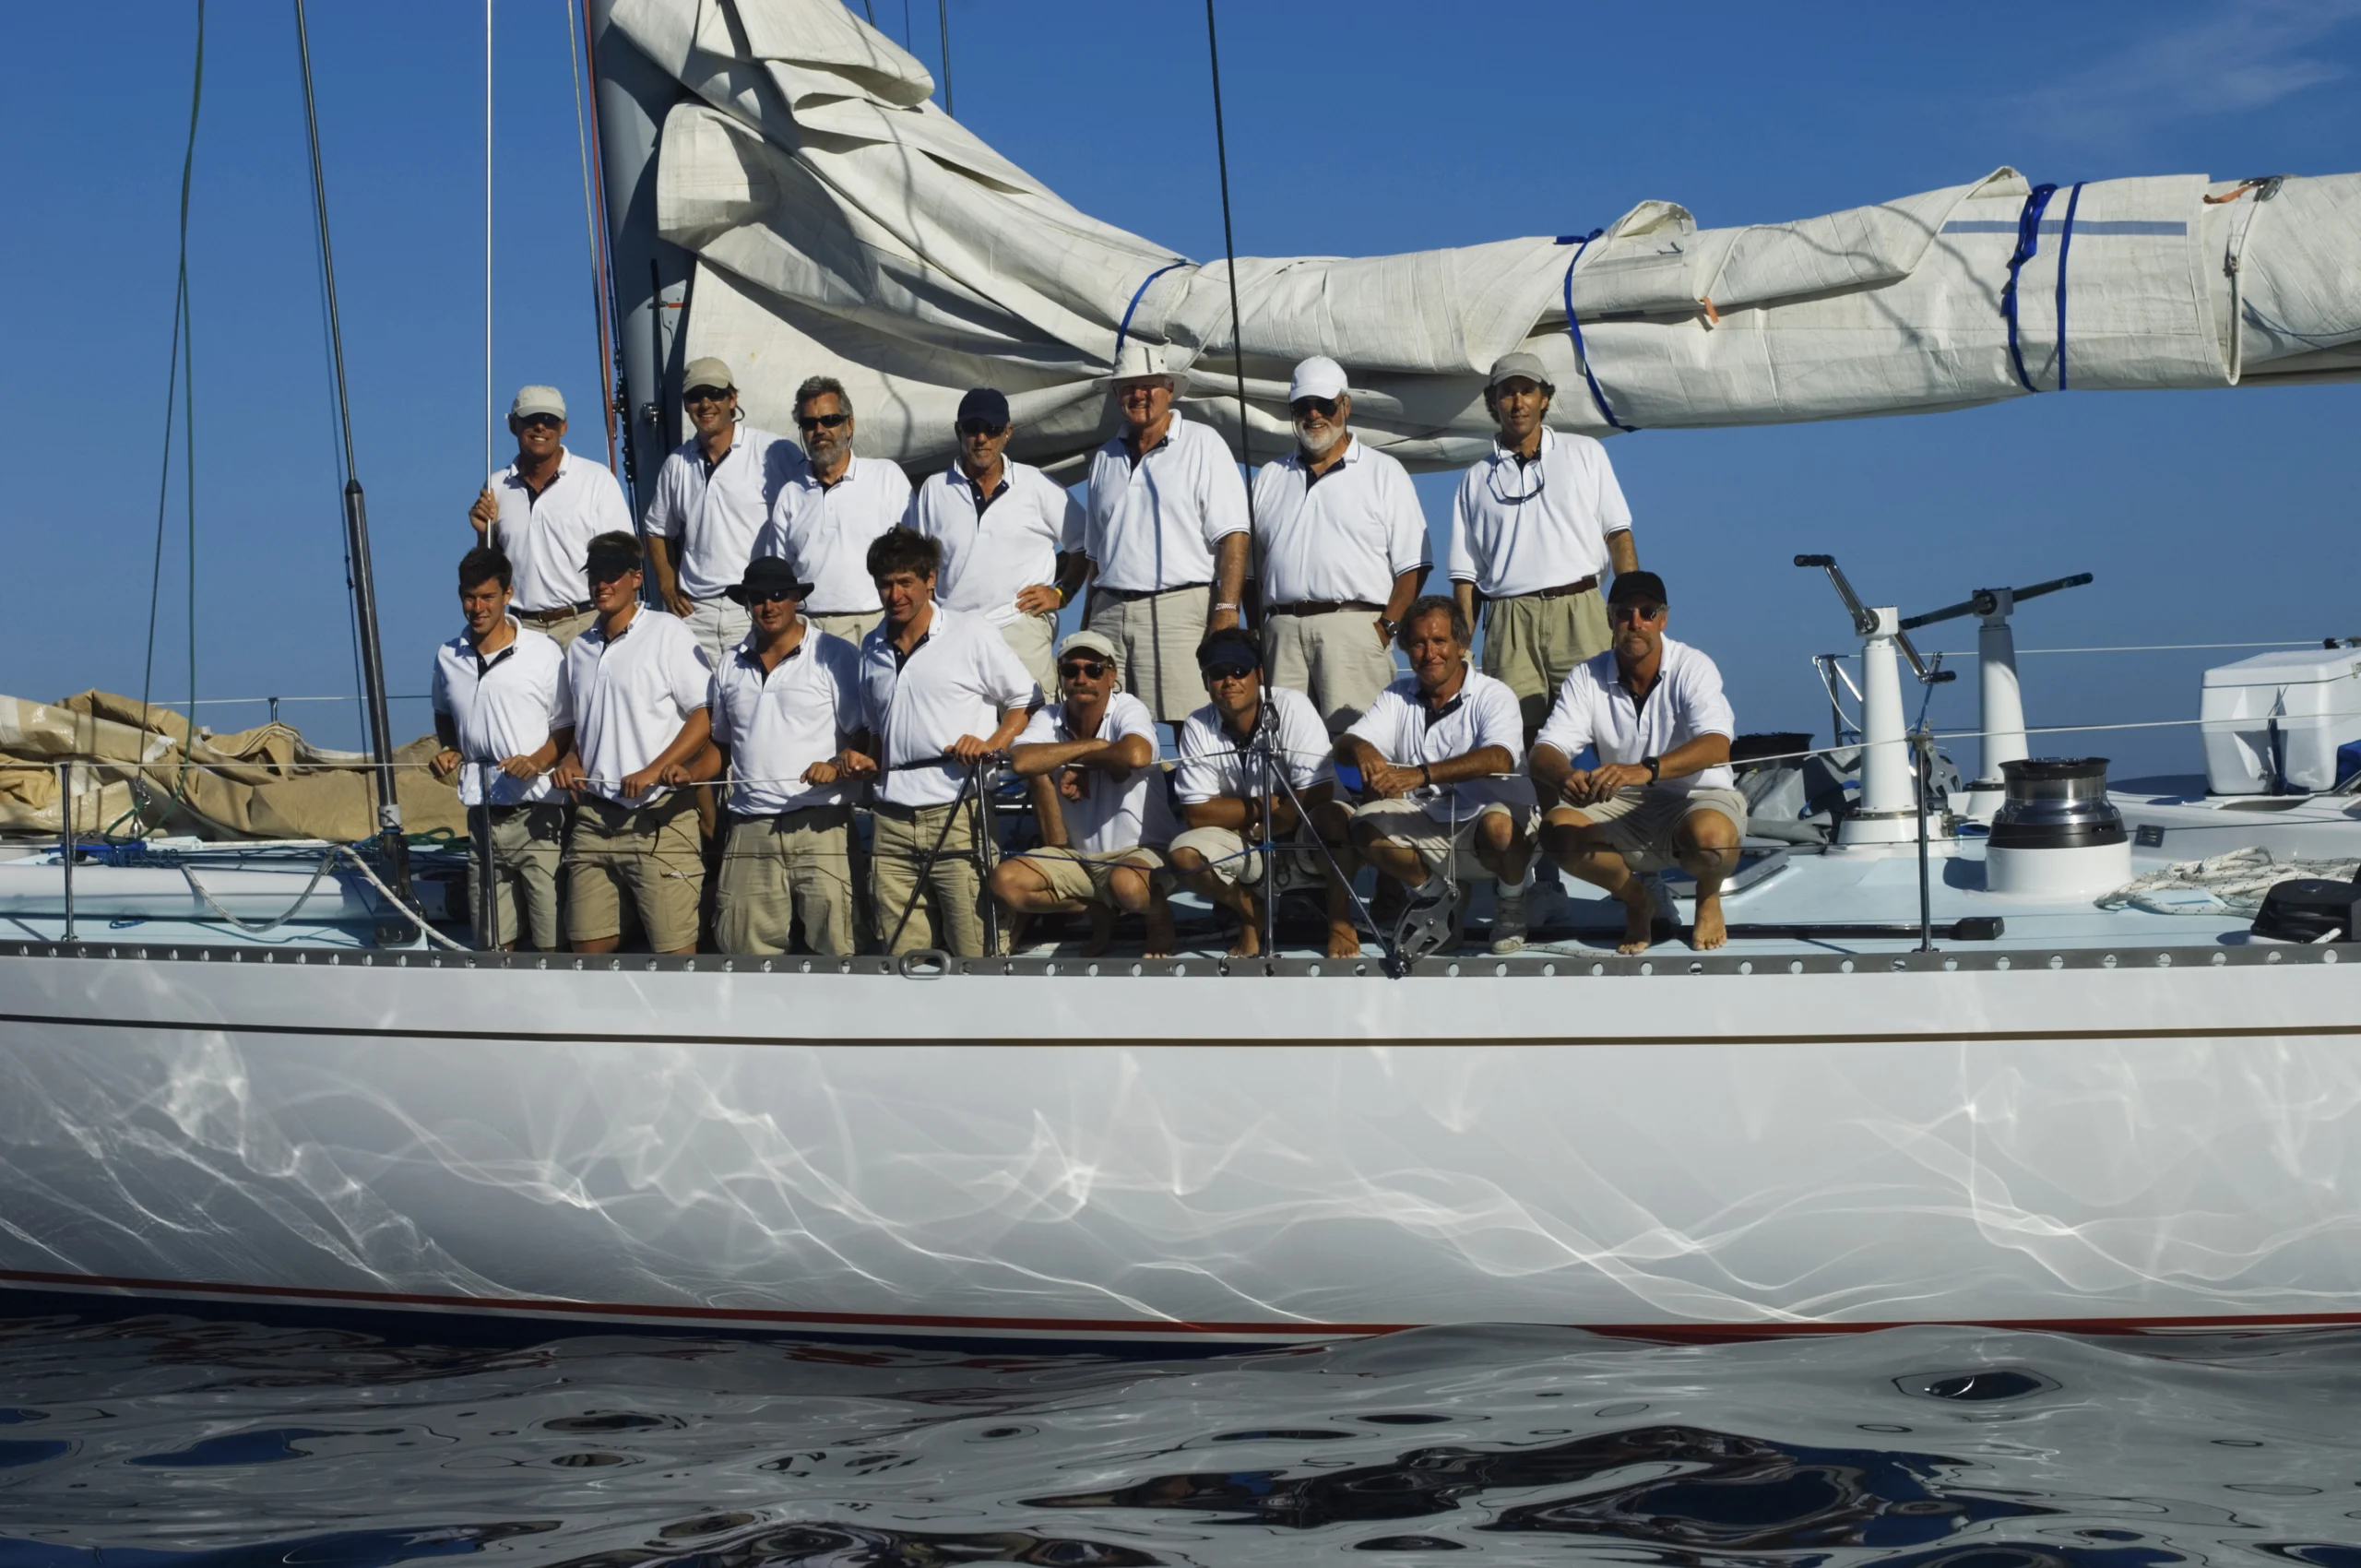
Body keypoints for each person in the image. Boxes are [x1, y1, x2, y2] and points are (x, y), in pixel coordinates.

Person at [1530, 571, 1746, 955]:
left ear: (1663, 619)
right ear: (1610, 618)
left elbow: (1717, 746)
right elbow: (1544, 750)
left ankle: (1708, 896)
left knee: (1713, 843)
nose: (1636, 623)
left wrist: (1643, 770)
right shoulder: (1586, 675)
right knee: (1557, 832)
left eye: (1647, 613)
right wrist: (1565, 776)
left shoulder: (1693, 667)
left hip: (1695, 797)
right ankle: (1637, 899)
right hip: (1623, 804)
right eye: (1625, 613)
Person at [848, 529, 1040, 957]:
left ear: (930, 579)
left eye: (904, 582)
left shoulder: (970, 631)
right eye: (885, 583)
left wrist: (992, 744)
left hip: (959, 811)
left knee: (977, 951)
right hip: (889, 819)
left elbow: (1027, 697)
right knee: (901, 958)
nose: (894, 594)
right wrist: (860, 757)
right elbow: (875, 728)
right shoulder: (870, 646)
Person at [1447, 351, 1639, 734]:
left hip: (1580, 609)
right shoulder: (1474, 478)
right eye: (1507, 393)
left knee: (1600, 724)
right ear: (1493, 401)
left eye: (1527, 391)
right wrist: (1462, 647)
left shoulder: (1585, 452)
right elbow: (1465, 578)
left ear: (1544, 398)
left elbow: (1618, 536)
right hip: (1508, 619)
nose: (1518, 402)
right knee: (1516, 733)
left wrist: (1630, 608)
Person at [1336, 595, 1537, 956]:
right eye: (1418, 643)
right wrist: (1360, 747)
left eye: (1439, 641)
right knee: (1363, 826)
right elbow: (1344, 746)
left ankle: (1511, 903)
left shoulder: (1494, 694)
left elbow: (1501, 758)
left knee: (1499, 826)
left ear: (1461, 645)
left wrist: (1422, 775)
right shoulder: (1397, 694)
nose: (1429, 653)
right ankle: (1438, 898)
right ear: (1406, 650)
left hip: (1486, 823)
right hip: (1431, 822)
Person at [549, 532, 717, 955]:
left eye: (611, 575)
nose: (601, 585)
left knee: (675, 954)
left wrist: (654, 771)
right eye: (594, 576)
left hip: (659, 816)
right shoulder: (580, 649)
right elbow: (582, 730)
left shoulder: (667, 632)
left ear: (636, 578)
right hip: (593, 818)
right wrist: (570, 758)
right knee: (586, 952)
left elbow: (705, 714)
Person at [1252, 355, 1429, 731]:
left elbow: (1413, 566)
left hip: (1354, 628)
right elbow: (1254, 569)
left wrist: (1384, 631)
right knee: (1284, 747)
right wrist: (1259, 636)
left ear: (1345, 405)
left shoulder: (1384, 472)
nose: (1313, 414)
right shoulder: (1269, 476)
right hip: (1280, 633)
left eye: (1324, 404)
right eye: (1302, 406)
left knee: (1359, 744)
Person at [1083, 341, 1251, 727]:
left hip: (1179, 607)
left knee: (1190, 722)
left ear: (1169, 390)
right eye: (1127, 386)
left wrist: (1227, 610)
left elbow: (1234, 536)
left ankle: (1194, 790)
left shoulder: (1203, 443)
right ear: (1115, 395)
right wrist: (1088, 621)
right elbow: (1096, 554)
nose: (1139, 394)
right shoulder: (1104, 458)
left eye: (1149, 385)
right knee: (1103, 725)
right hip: (1108, 611)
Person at [1166, 628, 1361, 960]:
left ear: (1259, 675)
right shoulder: (1197, 724)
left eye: (1239, 671)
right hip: (1251, 840)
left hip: (1303, 834)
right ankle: (1249, 912)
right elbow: (1197, 815)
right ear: (1205, 680)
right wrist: (1264, 806)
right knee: (1183, 855)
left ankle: (1340, 920)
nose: (1229, 681)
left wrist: (1260, 824)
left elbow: (1317, 793)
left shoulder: (1293, 706)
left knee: (1334, 819)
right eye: (1217, 673)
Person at [706, 556, 865, 956]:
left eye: (778, 595)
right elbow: (721, 747)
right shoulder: (729, 663)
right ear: (746, 603)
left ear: (796, 597)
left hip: (821, 823)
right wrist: (681, 773)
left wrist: (835, 764)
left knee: (840, 947)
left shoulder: (835, 654)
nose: (768, 605)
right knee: (742, 951)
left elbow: (866, 735)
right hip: (749, 827)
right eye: (757, 597)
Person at [990, 629, 1179, 956]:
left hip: (1141, 853)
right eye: (1070, 670)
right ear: (1061, 678)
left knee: (1127, 885)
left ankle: (1159, 919)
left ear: (1111, 676)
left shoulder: (1127, 707)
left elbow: (1136, 755)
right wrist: (1095, 749)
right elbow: (1021, 761)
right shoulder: (1050, 716)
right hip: (1076, 858)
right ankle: (1097, 912)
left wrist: (1077, 763)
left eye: (1093, 670)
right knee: (1005, 882)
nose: (1081, 678)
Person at [428, 546, 574, 952]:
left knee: (551, 942)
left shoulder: (543, 653)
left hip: (538, 815)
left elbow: (566, 727)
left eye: (487, 597)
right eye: (469, 597)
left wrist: (537, 762)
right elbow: (443, 712)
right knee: (493, 944)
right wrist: (449, 747)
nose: (477, 607)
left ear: (508, 594)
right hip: (481, 815)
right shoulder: (447, 656)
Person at [903, 386, 1087, 695]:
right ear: (958, 431)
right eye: (972, 428)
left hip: (1018, 626)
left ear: (1008, 433)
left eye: (992, 429)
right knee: (962, 734)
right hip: (952, 632)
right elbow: (918, 565)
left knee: (1031, 731)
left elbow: (1085, 543)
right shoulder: (934, 490)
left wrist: (1062, 593)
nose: (982, 437)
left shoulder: (1038, 486)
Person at [643, 356, 807, 666]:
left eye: (715, 394)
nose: (705, 404)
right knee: (700, 707)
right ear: (685, 404)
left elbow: (809, 507)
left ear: (733, 399)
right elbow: (657, 528)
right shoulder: (677, 464)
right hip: (695, 613)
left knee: (756, 703)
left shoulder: (774, 452)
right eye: (695, 397)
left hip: (756, 606)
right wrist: (666, 584)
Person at [468, 385, 635, 647]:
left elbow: (626, 558)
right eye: (531, 420)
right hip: (522, 630)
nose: (541, 428)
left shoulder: (596, 479)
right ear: (513, 425)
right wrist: (482, 535)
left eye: (549, 420)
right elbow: (493, 571)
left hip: (586, 624)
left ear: (563, 427)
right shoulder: (496, 486)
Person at [754, 376, 910, 646]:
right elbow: (779, 572)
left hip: (875, 623)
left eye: (830, 420)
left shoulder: (886, 477)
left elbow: (915, 556)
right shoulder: (791, 494)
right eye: (809, 423)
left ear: (849, 425)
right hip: (809, 627)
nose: (820, 429)